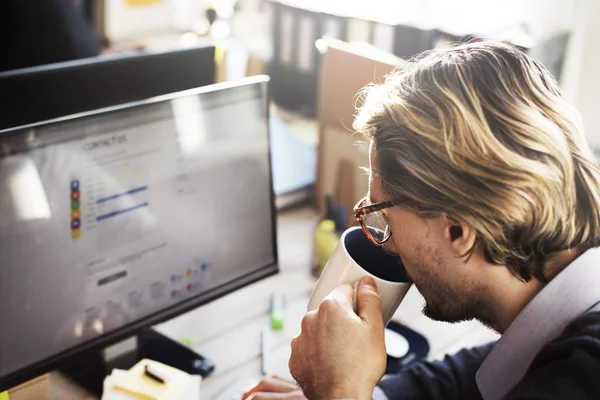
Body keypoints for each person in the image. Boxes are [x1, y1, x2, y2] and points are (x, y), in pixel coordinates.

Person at [243, 40, 600, 400]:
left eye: (385, 218)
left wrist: (339, 392)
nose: (388, 244)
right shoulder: (558, 324)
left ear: (458, 230)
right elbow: (476, 374)